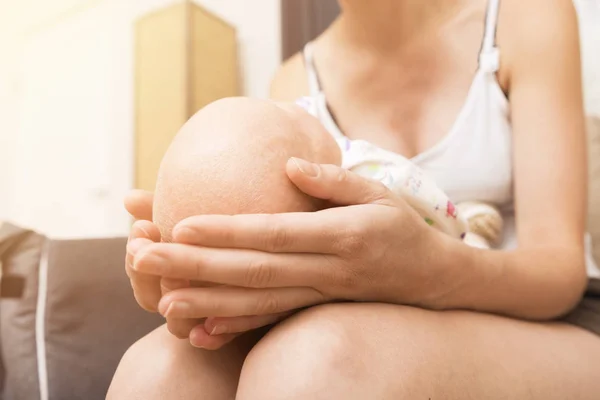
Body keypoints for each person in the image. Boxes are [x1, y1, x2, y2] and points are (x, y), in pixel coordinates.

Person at [108, 0, 600, 398]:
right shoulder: (297, 81)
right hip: (385, 318)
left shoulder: (525, 15)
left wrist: (429, 269)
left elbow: (558, 275)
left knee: (316, 361)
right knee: (158, 371)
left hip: (549, 316)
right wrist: (210, 292)